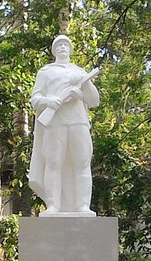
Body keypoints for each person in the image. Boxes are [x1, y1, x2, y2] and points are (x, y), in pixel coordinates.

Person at [28, 35, 99, 216]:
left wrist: (85, 85)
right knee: (53, 163)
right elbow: (35, 99)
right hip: (54, 123)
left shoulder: (80, 72)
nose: (62, 47)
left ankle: (82, 206)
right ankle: (53, 206)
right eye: (58, 45)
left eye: (65, 45)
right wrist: (50, 101)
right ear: (54, 50)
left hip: (78, 122)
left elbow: (94, 101)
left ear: (70, 49)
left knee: (82, 163)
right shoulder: (46, 72)